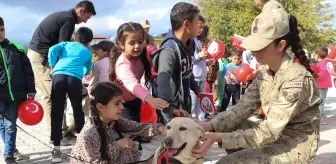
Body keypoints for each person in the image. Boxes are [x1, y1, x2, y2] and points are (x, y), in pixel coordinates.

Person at [192, 6, 321, 163]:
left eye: (260, 46)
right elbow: (240, 110)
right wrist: (208, 126)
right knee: (228, 122)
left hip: (294, 148)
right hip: (275, 139)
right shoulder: (265, 73)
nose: (253, 51)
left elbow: (269, 131)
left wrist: (218, 137)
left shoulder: (296, 80)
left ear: (280, 45)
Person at [27, 0, 96, 136]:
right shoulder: (68, 20)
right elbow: (61, 47)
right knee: (49, 95)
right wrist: (54, 66)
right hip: (39, 57)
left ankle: (63, 129)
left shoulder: (66, 17)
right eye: (86, 17)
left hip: (45, 56)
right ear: (81, 11)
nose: (85, 22)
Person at [70, 82, 166, 164]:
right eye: (117, 104)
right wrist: (118, 145)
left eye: (121, 103)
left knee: (162, 140)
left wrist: (159, 128)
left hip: (131, 157)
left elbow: (135, 127)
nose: (122, 107)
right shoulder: (89, 134)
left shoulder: (113, 121)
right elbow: (97, 162)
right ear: (100, 107)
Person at [48, 27, 93, 163]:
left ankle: (56, 149)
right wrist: (82, 72)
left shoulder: (66, 44)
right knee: (77, 109)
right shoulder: (87, 52)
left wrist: (53, 65)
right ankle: (81, 145)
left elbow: (52, 50)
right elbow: (88, 68)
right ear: (89, 41)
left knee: (57, 111)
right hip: (75, 80)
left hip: (59, 76)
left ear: (75, 37)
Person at [109, 22, 169, 123]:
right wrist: (150, 99)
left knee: (138, 127)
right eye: (132, 43)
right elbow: (133, 84)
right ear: (121, 44)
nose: (137, 46)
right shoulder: (123, 64)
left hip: (135, 99)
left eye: (140, 42)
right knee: (131, 131)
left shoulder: (141, 56)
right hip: (121, 103)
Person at [151, 2, 200, 124]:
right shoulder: (169, 50)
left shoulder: (190, 44)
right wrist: (169, 111)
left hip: (184, 104)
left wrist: (194, 86)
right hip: (173, 110)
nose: (199, 26)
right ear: (187, 24)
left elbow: (187, 69)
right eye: (197, 22)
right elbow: (163, 80)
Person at [0, 16, 36, 163]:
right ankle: (11, 148)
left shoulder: (16, 48)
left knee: (10, 125)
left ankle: (9, 155)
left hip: (15, 95)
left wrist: (31, 89)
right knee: (2, 123)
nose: (0, 33)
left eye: (2, 30)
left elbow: (28, 71)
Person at [190, 15, 208, 120]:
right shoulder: (190, 41)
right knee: (191, 104)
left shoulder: (199, 41)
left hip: (202, 76)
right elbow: (188, 59)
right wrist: (198, 56)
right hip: (194, 77)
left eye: (203, 27)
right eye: (199, 27)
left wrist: (206, 62)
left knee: (200, 102)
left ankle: (201, 123)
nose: (201, 30)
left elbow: (200, 58)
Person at [315, 47, 332, 125]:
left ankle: (322, 118)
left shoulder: (322, 63)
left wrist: (315, 75)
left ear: (318, 55)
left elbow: (323, 73)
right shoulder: (324, 62)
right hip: (322, 85)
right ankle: (319, 116)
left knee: (321, 102)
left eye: (315, 54)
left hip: (321, 86)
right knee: (320, 101)